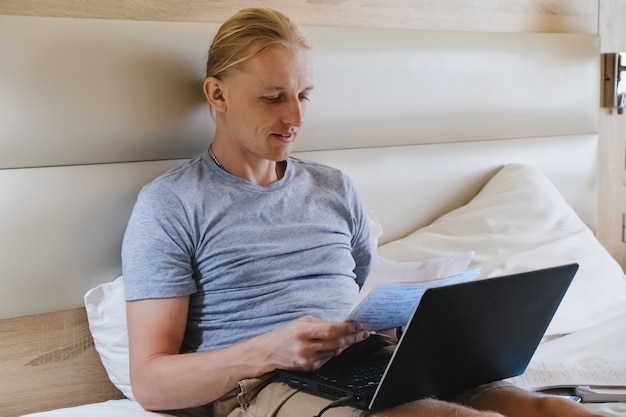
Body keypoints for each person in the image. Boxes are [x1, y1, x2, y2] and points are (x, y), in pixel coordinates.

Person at [121, 7, 603, 417]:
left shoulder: (333, 187)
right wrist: (265, 349)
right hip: (264, 384)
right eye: (272, 98)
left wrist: (433, 321)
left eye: (303, 96)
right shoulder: (172, 204)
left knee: (548, 410)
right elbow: (150, 381)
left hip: (372, 360)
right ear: (217, 94)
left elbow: (374, 302)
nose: (295, 118)